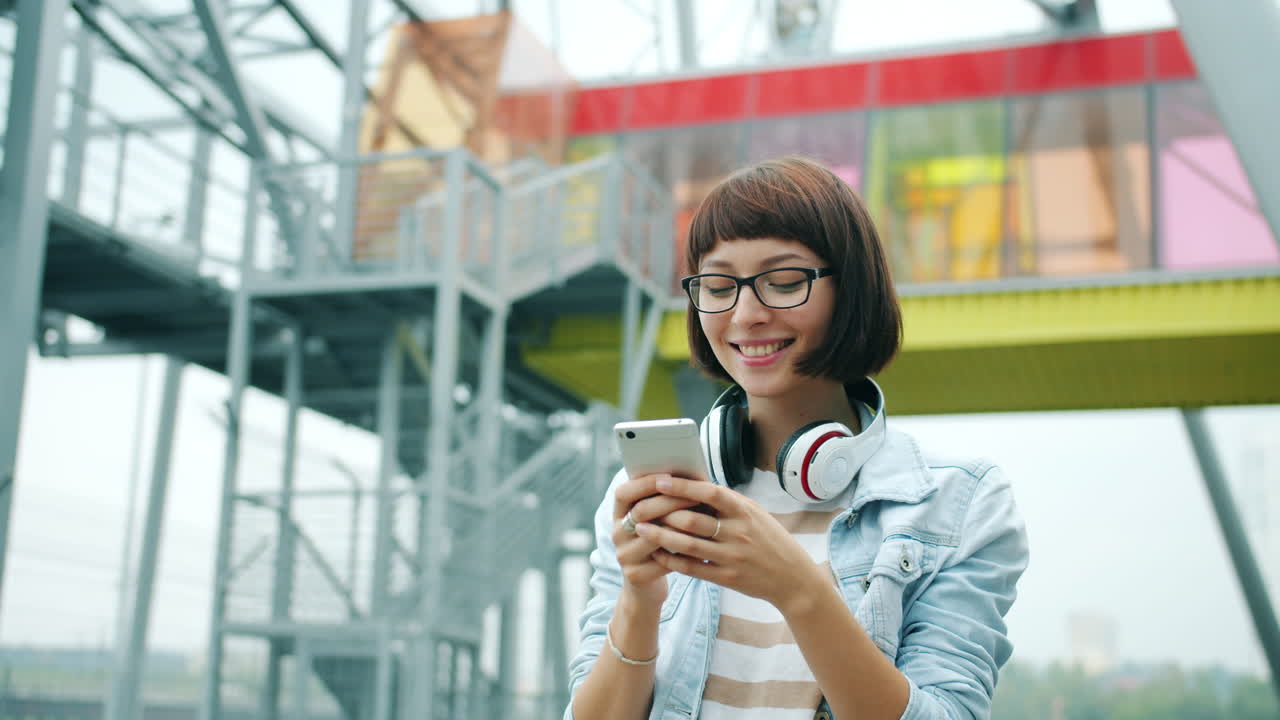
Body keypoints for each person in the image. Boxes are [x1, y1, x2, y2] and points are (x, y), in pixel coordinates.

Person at [565, 156, 1029, 720]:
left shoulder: (959, 502)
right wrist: (639, 603)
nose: (747, 314)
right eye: (717, 286)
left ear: (850, 290)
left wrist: (798, 591)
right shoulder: (651, 491)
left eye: (783, 282)